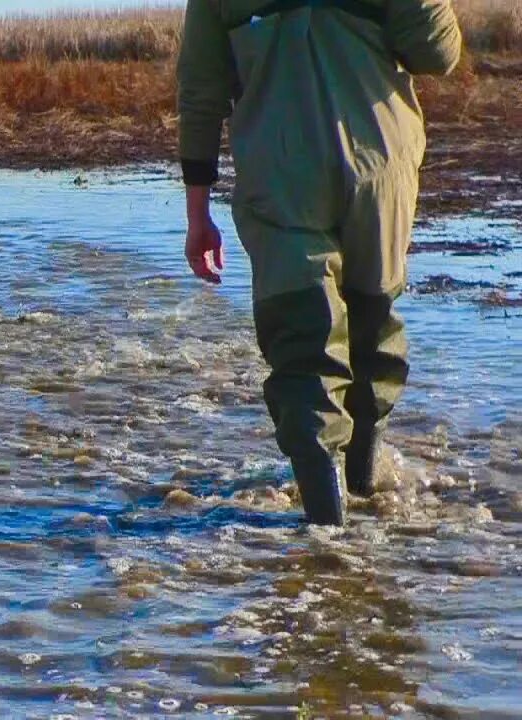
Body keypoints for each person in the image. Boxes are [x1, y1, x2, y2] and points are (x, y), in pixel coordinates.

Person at [176, 0, 462, 525]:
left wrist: (199, 214)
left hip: (283, 175)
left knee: (305, 345)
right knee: (371, 331)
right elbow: (438, 51)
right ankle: (355, 523)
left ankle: (329, 540)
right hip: (377, 164)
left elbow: (201, 93)